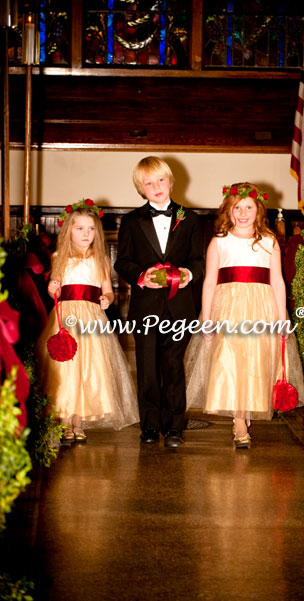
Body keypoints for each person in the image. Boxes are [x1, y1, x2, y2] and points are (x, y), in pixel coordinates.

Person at [185, 183, 287, 449]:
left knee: (254, 361)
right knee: (230, 360)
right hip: (228, 309)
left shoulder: (269, 241)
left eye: (249, 208)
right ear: (228, 212)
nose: (243, 213)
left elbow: (277, 280)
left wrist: (282, 315)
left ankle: (246, 410)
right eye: (236, 208)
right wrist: (206, 318)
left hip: (261, 308)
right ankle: (239, 421)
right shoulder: (219, 242)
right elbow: (209, 282)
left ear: (259, 210)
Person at [114, 156, 204, 448]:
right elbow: (123, 262)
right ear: (141, 188)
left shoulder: (191, 219)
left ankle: (175, 426)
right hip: (145, 307)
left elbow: (198, 260)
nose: (156, 187)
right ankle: (150, 425)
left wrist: (188, 273)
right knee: (148, 368)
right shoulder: (130, 221)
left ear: (170, 181)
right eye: (148, 183)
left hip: (180, 307)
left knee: (174, 367)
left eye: (160, 180)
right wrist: (141, 275)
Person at [36, 199, 139, 442]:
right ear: (68, 230)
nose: (86, 234)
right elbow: (54, 291)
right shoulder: (59, 256)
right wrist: (52, 288)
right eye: (80, 228)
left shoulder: (100, 259)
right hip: (66, 318)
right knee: (65, 367)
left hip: (92, 318)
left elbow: (108, 289)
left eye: (91, 229)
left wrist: (107, 298)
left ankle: (79, 421)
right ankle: (64, 420)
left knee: (89, 367)